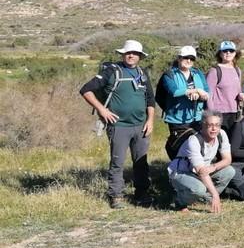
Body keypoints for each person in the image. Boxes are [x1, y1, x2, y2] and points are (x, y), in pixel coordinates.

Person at [79, 39, 155, 208]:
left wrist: (150, 120)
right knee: (117, 162)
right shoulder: (112, 71)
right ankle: (116, 196)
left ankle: (142, 194)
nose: (131, 56)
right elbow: (86, 90)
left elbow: (150, 99)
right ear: (122, 54)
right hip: (119, 125)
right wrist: (102, 110)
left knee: (141, 161)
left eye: (135, 53)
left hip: (141, 125)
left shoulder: (142, 73)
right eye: (128, 53)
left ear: (140, 56)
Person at [166, 111, 235, 213]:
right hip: (181, 172)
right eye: (210, 125)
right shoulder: (193, 141)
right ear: (203, 125)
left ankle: (203, 198)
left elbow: (228, 159)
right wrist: (215, 194)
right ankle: (179, 201)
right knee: (199, 188)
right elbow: (201, 172)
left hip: (203, 170)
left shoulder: (222, 134)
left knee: (229, 171)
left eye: (217, 125)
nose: (214, 129)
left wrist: (213, 167)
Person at [158, 45, 209, 139]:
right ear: (179, 58)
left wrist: (200, 96)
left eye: (192, 58)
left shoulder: (198, 73)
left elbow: (206, 91)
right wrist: (196, 90)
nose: (189, 61)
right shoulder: (169, 74)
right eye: (186, 58)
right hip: (177, 120)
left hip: (197, 118)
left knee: (197, 148)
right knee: (180, 148)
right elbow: (174, 91)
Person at [205, 40, 244, 134]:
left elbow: (238, 90)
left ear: (235, 53)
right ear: (220, 53)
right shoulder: (214, 71)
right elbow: (208, 95)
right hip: (220, 114)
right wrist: (213, 115)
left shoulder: (237, 70)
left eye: (231, 51)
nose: (228, 53)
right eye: (225, 51)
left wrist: (241, 96)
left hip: (235, 113)